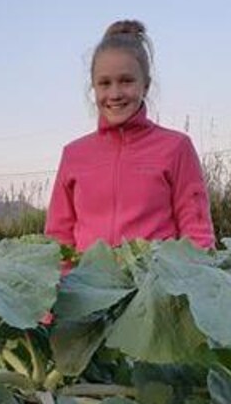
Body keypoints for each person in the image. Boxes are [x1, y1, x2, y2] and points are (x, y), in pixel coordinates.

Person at [44, 19, 215, 253]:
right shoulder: (73, 154)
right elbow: (58, 239)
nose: (114, 93)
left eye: (126, 81)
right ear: (93, 88)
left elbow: (197, 232)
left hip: (156, 284)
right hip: (89, 286)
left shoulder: (176, 148)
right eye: (104, 83)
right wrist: (67, 284)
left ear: (145, 85)